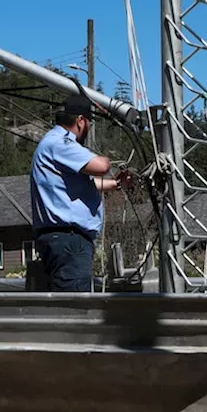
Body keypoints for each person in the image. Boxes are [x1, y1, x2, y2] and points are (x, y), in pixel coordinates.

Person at [28, 95, 131, 291]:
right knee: (75, 308)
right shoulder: (60, 143)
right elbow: (101, 166)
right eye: (89, 122)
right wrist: (108, 160)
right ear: (81, 121)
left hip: (62, 240)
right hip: (70, 241)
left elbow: (81, 185)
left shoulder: (51, 144)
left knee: (68, 303)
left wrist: (117, 184)